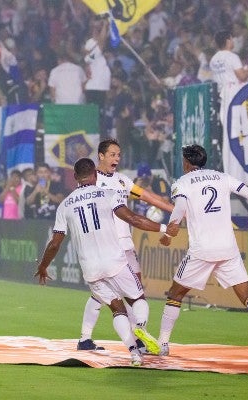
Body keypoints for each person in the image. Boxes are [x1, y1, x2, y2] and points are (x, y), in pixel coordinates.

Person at [34, 158, 178, 366]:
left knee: (116, 309)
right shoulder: (108, 194)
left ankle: (134, 353)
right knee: (137, 299)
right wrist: (165, 229)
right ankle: (140, 326)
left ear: (75, 177)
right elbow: (133, 219)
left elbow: (55, 243)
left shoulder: (65, 205)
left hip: (90, 268)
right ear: (94, 175)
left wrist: (43, 266)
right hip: (115, 261)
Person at [152, 144, 248, 358]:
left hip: (202, 250)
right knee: (247, 295)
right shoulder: (222, 177)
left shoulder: (182, 183)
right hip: (228, 249)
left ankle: (163, 344)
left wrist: (169, 232)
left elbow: (180, 208)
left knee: (175, 294)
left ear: (186, 162)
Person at [77, 139, 174, 352]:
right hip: (108, 245)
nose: (116, 159)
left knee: (113, 294)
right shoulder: (92, 180)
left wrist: (172, 209)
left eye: (118, 155)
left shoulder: (122, 181)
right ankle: (137, 340)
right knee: (130, 294)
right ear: (101, 156)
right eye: (112, 154)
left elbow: (147, 196)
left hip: (125, 244)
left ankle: (86, 339)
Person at [209, 29, 248, 97]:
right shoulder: (232, 57)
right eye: (232, 39)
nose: (233, 41)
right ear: (228, 41)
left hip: (219, 95)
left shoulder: (213, 60)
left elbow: (227, 73)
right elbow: (242, 77)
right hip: (233, 95)